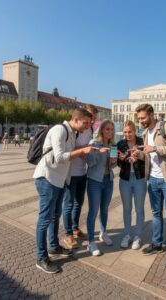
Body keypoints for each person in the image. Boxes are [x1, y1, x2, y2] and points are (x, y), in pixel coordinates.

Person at [33, 108, 94, 274]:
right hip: (46, 178)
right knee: (44, 219)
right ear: (76, 119)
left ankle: (53, 247)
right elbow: (60, 157)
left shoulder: (72, 133)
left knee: (54, 216)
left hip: (58, 181)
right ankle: (41, 257)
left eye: (90, 124)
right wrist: (81, 151)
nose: (87, 126)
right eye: (86, 123)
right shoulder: (60, 130)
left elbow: (67, 158)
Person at [132, 104, 166, 269]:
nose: (140, 121)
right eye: (138, 119)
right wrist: (139, 155)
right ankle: (157, 243)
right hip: (153, 179)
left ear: (152, 115)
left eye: (143, 118)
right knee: (156, 214)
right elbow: (148, 155)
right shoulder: (146, 132)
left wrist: (155, 148)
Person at [63, 104, 98, 249]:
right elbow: (67, 150)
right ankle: (68, 234)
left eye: (93, 118)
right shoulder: (73, 130)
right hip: (70, 172)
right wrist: (83, 150)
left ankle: (75, 228)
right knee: (69, 204)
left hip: (82, 171)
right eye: (89, 117)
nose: (91, 121)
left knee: (78, 203)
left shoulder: (89, 129)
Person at [86, 120, 117, 256]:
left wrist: (114, 161)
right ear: (102, 130)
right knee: (93, 211)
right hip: (94, 181)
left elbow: (113, 165)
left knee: (104, 209)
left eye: (112, 129)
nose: (110, 132)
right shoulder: (94, 144)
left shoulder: (113, 145)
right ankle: (91, 242)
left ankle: (103, 233)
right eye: (107, 129)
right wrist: (99, 152)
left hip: (108, 180)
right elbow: (90, 162)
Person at [117, 120, 146, 250]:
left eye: (130, 132)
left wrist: (138, 156)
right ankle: (127, 235)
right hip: (125, 180)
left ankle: (137, 236)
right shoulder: (120, 144)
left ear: (135, 131)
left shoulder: (142, 142)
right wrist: (121, 159)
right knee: (126, 208)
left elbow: (148, 159)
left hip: (140, 178)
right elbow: (117, 163)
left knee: (139, 209)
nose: (127, 134)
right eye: (125, 132)